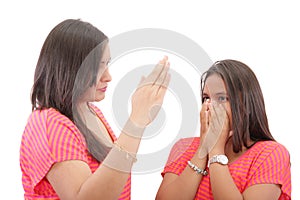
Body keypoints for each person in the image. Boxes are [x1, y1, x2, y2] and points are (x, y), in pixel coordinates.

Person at [19, 19, 170, 200]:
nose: (108, 76)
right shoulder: (48, 123)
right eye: (99, 66)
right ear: (71, 68)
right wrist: (135, 122)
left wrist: (141, 119)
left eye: (107, 64)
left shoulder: (92, 112)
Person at [156, 59, 291, 199]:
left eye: (221, 98)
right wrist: (203, 150)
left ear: (245, 105)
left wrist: (216, 152)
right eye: (206, 98)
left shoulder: (270, 154)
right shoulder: (183, 147)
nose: (210, 106)